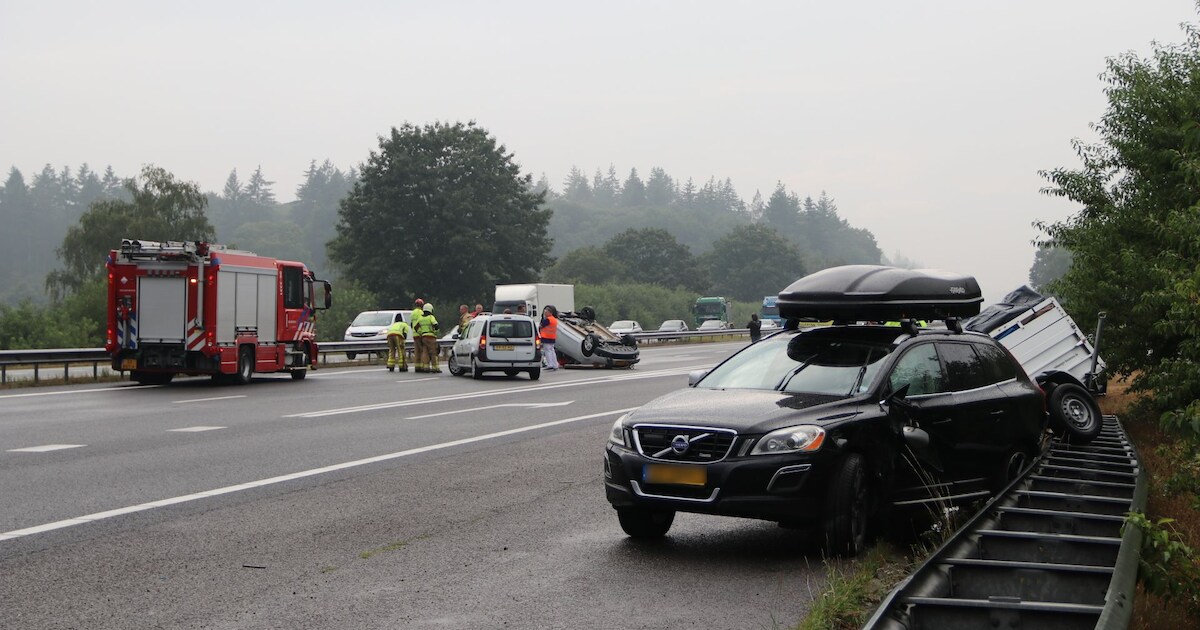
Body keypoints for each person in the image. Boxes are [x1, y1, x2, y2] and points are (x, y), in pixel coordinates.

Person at [415, 302, 441, 372]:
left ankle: (426, 367)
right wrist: (435, 333)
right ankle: (435, 368)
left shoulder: (420, 318)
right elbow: (436, 326)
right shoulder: (431, 317)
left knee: (425, 352)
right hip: (431, 337)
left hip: (423, 337)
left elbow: (415, 327)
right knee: (434, 352)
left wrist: (421, 333)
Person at [540, 304, 560, 371]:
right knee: (552, 350)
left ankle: (550, 364)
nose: (545, 314)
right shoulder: (554, 319)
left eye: (546, 312)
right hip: (552, 337)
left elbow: (541, 325)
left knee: (547, 351)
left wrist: (543, 318)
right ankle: (555, 364)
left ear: (549, 313)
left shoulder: (548, 319)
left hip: (546, 337)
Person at [411, 300, 428, 371]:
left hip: (414, 334)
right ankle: (423, 366)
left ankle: (417, 366)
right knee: (422, 351)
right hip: (420, 333)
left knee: (417, 351)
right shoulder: (421, 312)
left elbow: (411, 324)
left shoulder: (412, 313)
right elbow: (421, 323)